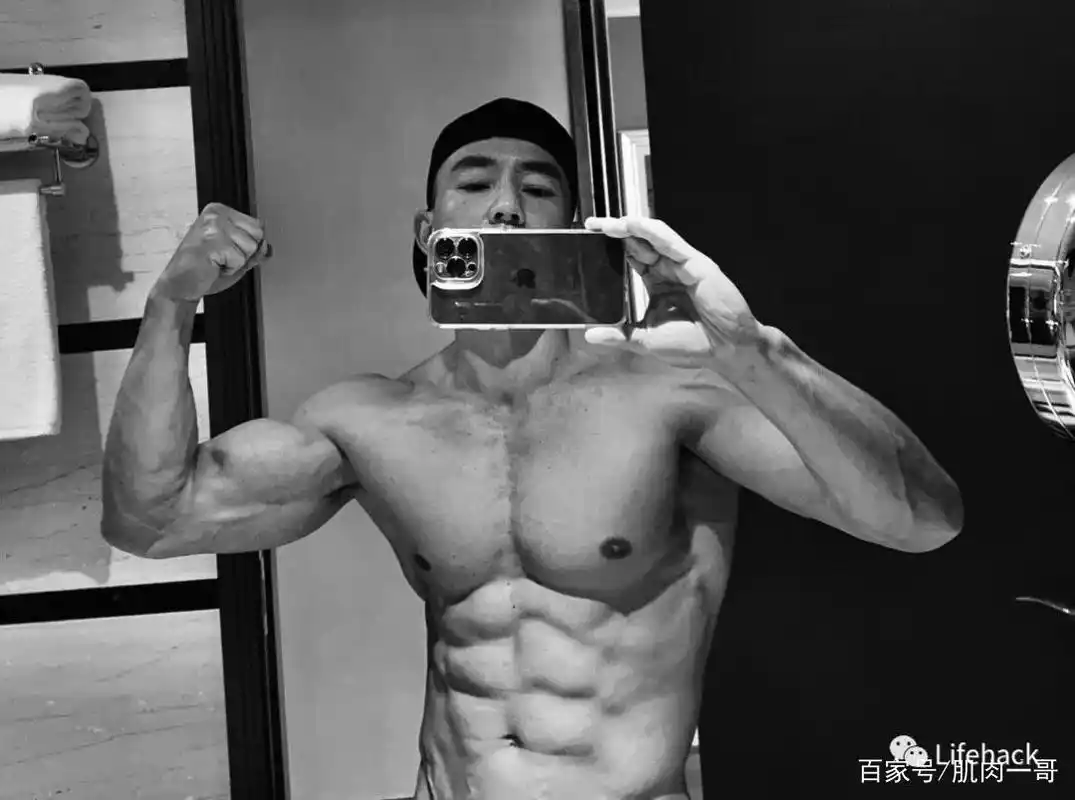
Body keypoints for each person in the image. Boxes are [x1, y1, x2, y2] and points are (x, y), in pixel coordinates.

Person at [101, 98, 964, 800]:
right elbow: (149, 520)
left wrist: (754, 351)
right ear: (426, 229)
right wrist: (172, 304)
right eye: (475, 181)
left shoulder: (670, 394)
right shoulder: (368, 420)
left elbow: (919, 520)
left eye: (537, 187)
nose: (506, 204)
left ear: (576, 227)